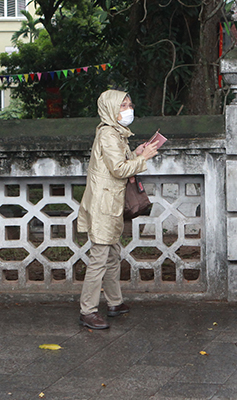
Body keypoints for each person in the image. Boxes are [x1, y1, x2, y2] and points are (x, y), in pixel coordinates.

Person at [77, 90, 159, 329]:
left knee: (112, 255)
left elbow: (117, 163)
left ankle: (114, 302)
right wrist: (144, 159)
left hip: (110, 202)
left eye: (129, 104)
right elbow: (119, 170)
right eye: (122, 105)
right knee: (99, 259)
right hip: (104, 204)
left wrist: (137, 153)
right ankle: (87, 310)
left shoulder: (116, 133)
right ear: (110, 108)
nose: (128, 109)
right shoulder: (108, 134)